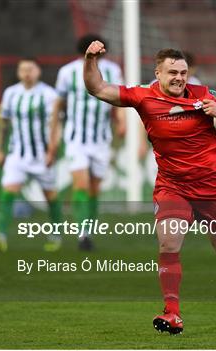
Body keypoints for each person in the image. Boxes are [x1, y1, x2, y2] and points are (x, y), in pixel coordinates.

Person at [83, 42, 216, 334]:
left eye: (183, 72)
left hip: (212, 189)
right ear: (158, 74)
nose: (179, 77)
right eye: (172, 72)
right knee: (168, 242)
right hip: (172, 187)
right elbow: (98, 88)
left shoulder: (205, 95)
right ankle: (172, 313)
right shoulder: (143, 95)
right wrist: (90, 59)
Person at [48, 34, 125, 251]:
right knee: (81, 185)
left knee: (94, 189)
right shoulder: (67, 72)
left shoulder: (113, 70)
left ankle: (88, 231)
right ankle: (82, 234)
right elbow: (58, 105)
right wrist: (54, 136)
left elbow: (118, 99)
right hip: (75, 139)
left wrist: (121, 121)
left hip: (101, 139)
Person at [0, 58, 62, 252]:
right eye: (23, 69)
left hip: (41, 155)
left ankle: (56, 235)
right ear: (18, 72)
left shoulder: (49, 94)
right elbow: (4, 123)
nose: (27, 72)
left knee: (50, 196)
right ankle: (0, 237)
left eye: (30, 69)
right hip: (17, 154)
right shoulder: (11, 93)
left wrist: (52, 149)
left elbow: (56, 125)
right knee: (8, 191)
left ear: (38, 71)